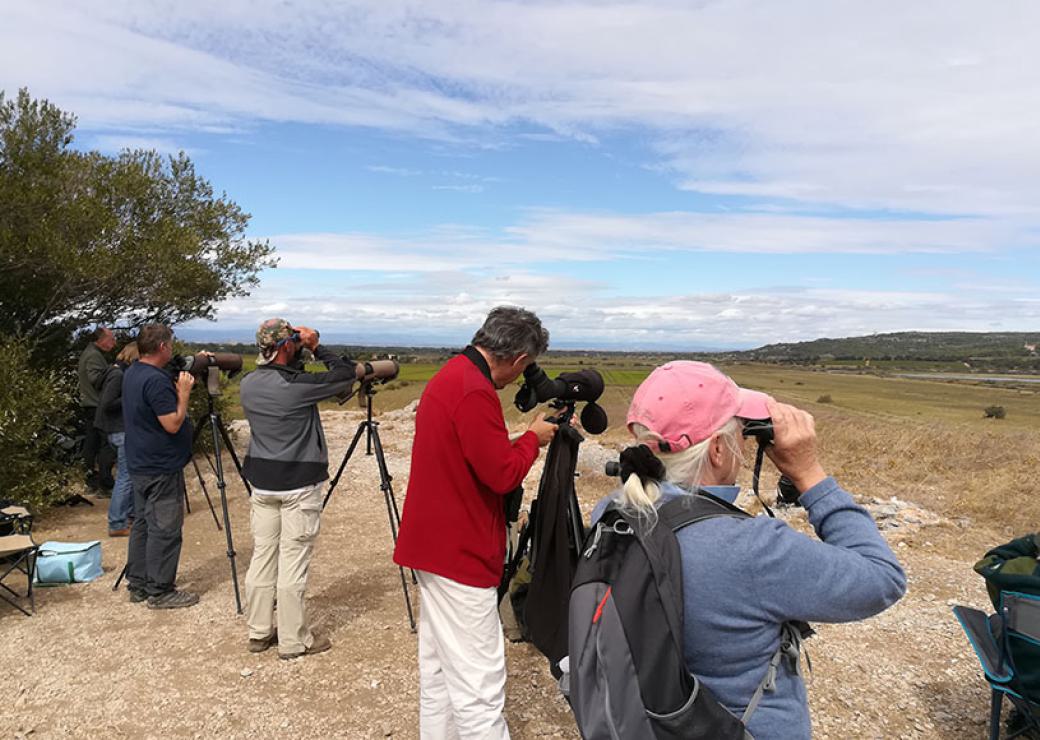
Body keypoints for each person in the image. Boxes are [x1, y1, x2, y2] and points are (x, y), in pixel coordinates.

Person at [593, 361, 907, 739]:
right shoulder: (751, 548)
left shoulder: (613, 512)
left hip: (644, 721)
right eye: (740, 433)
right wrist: (809, 475)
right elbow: (882, 579)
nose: (744, 443)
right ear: (718, 451)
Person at [394, 306, 559, 739]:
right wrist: (532, 439)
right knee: (479, 686)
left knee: (439, 673)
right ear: (521, 359)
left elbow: (475, 454)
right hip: (459, 552)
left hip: (432, 545)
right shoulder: (474, 390)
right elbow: (502, 473)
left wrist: (517, 440)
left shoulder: (453, 374)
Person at [240, 319, 356, 660]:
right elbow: (344, 374)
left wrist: (299, 348)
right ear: (287, 346)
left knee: (263, 556)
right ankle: (294, 641)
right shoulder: (296, 386)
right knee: (293, 560)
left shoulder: (248, 383)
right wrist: (317, 345)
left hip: (262, 481)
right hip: (297, 484)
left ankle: (259, 631)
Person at [122, 324, 198, 609]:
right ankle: (161, 590)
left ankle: (138, 583)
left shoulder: (133, 372)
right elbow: (172, 423)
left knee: (142, 524)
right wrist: (184, 393)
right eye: (171, 344)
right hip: (160, 465)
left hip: (139, 461)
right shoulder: (155, 381)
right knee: (165, 528)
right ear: (163, 347)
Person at [95, 341, 140, 537]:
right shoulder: (119, 375)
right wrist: (131, 395)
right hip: (119, 429)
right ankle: (117, 522)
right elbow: (107, 404)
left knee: (127, 475)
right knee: (125, 477)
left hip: (116, 429)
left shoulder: (116, 371)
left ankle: (128, 516)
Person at [78, 327, 117, 491]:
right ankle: (104, 482)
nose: (114, 342)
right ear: (101, 339)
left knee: (92, 444)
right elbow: (96, 379)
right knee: (106, 444)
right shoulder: (93, 355)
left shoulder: (91, 353)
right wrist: (112, 371)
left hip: (91, 404)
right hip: (96, 405)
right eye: (111, 339)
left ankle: (90, 479)